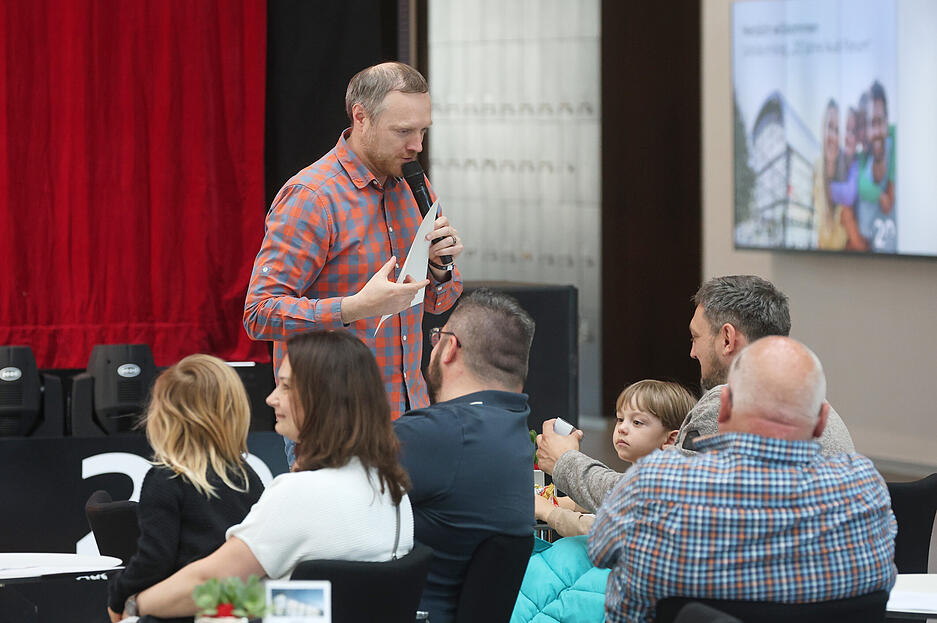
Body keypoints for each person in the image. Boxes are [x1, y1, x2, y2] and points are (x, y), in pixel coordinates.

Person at [243, 62, 465, 461]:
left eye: (422, 131)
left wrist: (438, 268)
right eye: (403, 131)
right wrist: (354, 308)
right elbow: (259, 313)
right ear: (360, 117)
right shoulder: (313, 197)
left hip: (408, 414)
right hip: (333, 423)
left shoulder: (414, 184)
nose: (417, 145)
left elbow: (437, 302)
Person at [589, 336, 897, 623]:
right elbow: (885, 579)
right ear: (821, 421)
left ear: (723, 411)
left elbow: (600, 551)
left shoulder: (655, 481)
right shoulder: (866, 487)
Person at [135, 331, 414, 619]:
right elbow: (319, 603)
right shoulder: (393, 491)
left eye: (285, 386)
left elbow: (208, 583)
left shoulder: (299, 493)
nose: (271, 398)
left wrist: (133, 604)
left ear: (322, 396)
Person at [537, 275, 855, 514]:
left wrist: (565, 461)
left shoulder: (726, 406)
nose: (692, 352)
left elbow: (647, 502)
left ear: (727, 339)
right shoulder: (824, 416)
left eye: (695, 337)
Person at [393, 289, 535, 623]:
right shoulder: (511, 427)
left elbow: (321, 493)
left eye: (435, 338)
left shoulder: (442, 432)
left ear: (449, 347)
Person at [107, 354, 264, 623]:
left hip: (179, 610)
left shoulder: (166, 479)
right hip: (240, 609)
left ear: (163, 416)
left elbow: (154, 560)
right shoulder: (248, 478)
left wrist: (118, 596)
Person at [534, 380, 694, 537]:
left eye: (637, 422)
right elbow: (608, 498)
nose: (622, 428)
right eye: (620, 419)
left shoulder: (661, 487)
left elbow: (602, 531)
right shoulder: (633, 478)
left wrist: (549, 511)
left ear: (670, 439)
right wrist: (563, 503)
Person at [855, 81, 896, 252]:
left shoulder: (894, 142)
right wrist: (881, 195)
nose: (875, 132)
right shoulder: (863, 159)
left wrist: (891, 185)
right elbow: (862, 185)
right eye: (870, 124)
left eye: (880, 122)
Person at [814, 99, 848, 250]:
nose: (833, 136)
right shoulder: (815, 170)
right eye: (829, 127)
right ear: (823, 128)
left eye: (837, 130)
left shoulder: (849, 172)